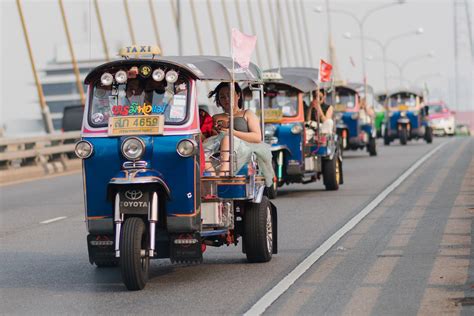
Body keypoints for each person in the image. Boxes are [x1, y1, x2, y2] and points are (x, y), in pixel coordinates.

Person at [206, 82, 262, 173]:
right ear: (219, 100)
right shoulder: (215, 117)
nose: (227, 99)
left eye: (229, 95)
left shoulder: (247, 113)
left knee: (227, 139)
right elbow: (212, 138)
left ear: (238, 95)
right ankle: (212, 176)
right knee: (198, 149)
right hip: (218, 153)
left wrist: (232, 132)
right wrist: (216, 131)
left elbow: (257, 138)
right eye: (222, 97)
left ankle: (224, 172)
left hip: (243, 151)